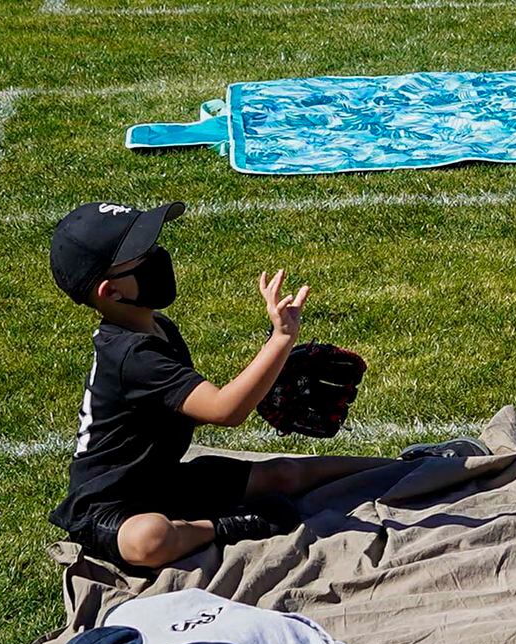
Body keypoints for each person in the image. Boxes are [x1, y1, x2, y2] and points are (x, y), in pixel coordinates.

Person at [46, 201, 386, 569]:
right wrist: (281, 338)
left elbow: (200, 402)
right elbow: (226, 410)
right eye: (142, 255)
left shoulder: (158, 328)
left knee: (286, 474)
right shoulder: (132, 356)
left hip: (162, 480)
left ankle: (397, 466)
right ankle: (222, 526)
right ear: (111, 292)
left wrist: (262, 385)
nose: (159, 256)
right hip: (109, 505)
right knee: (150, 540)